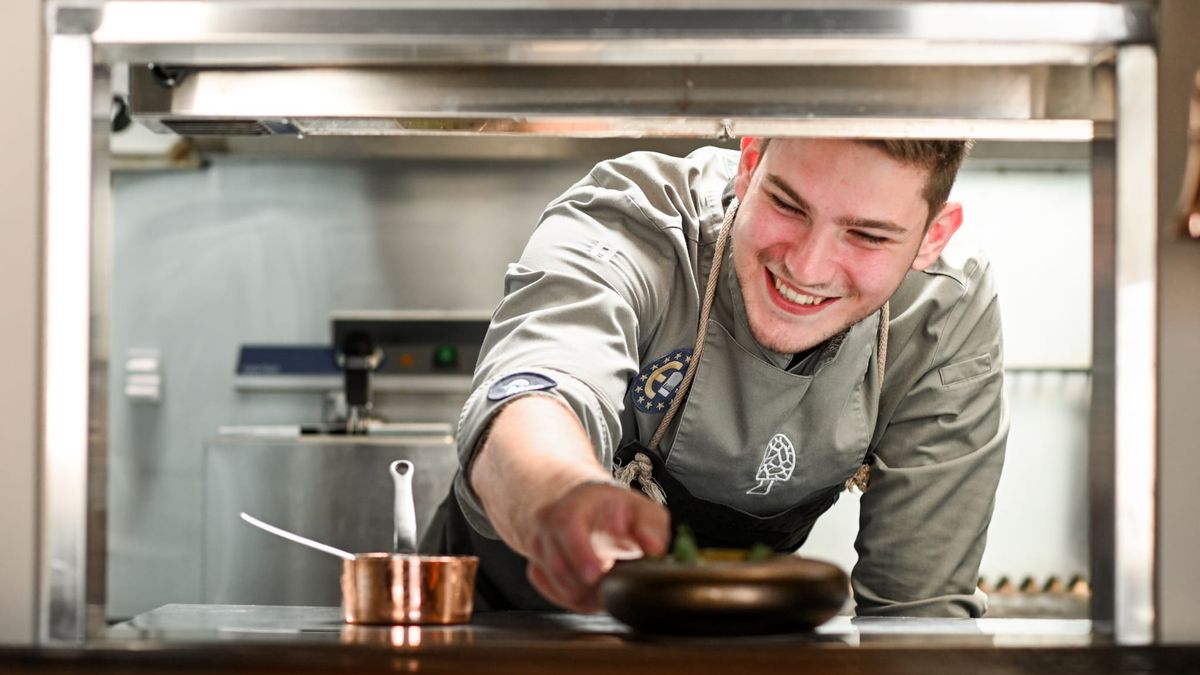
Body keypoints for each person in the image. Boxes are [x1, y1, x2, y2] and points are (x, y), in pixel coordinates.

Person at [423, 137, 1008, 618]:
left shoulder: (944, 316)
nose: (806, 267)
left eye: (868, 236)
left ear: (934, 235)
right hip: (499, 630)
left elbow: (919, 614)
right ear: (749, 167)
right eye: (788, 205)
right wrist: (559, 498)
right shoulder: (637, 219)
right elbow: (538, 385)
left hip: (731, 646)